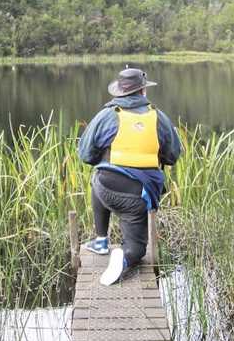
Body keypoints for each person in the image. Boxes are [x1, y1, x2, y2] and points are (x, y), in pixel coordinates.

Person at [77, 67, 182, 285]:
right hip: (138, 196)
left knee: (98, 173)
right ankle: (124, 257)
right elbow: (172, 156)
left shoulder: (107, 114)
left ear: (120, 93)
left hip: (106, 188)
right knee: (137, 249)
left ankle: (101, 240)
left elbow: (86, 155)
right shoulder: (158, 118)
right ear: (143, 91)